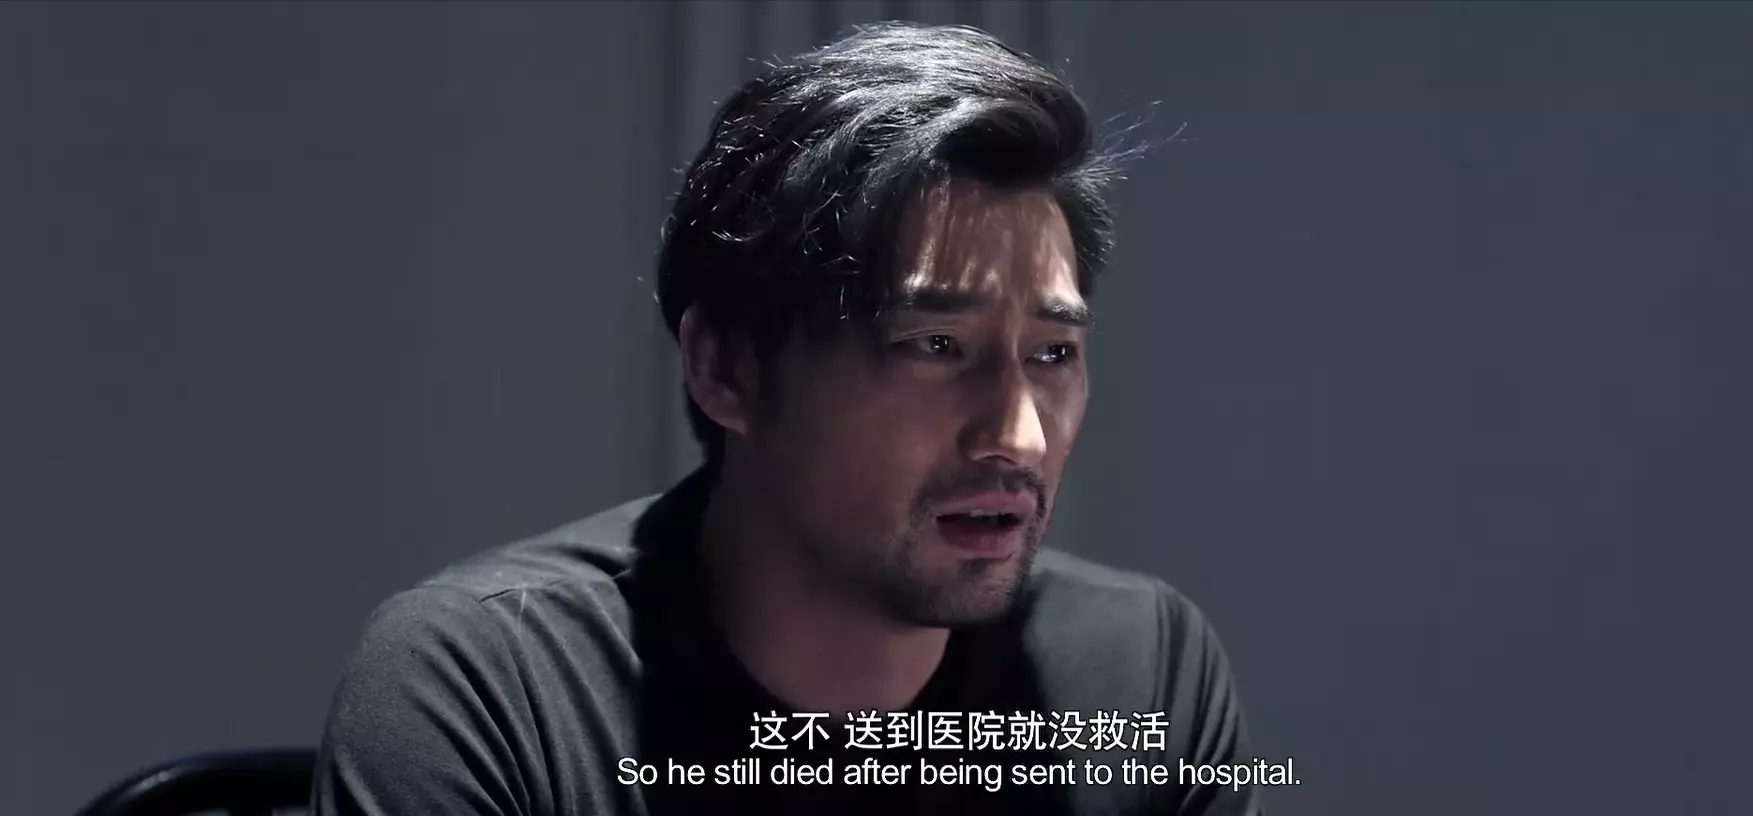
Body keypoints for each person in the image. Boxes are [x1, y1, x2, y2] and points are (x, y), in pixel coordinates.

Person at [313, 22, 1259, 816]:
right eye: (935, 346)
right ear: (725, 368)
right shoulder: (494, 688)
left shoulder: (1141, 675)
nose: (1019, 436)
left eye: (1052, 354)